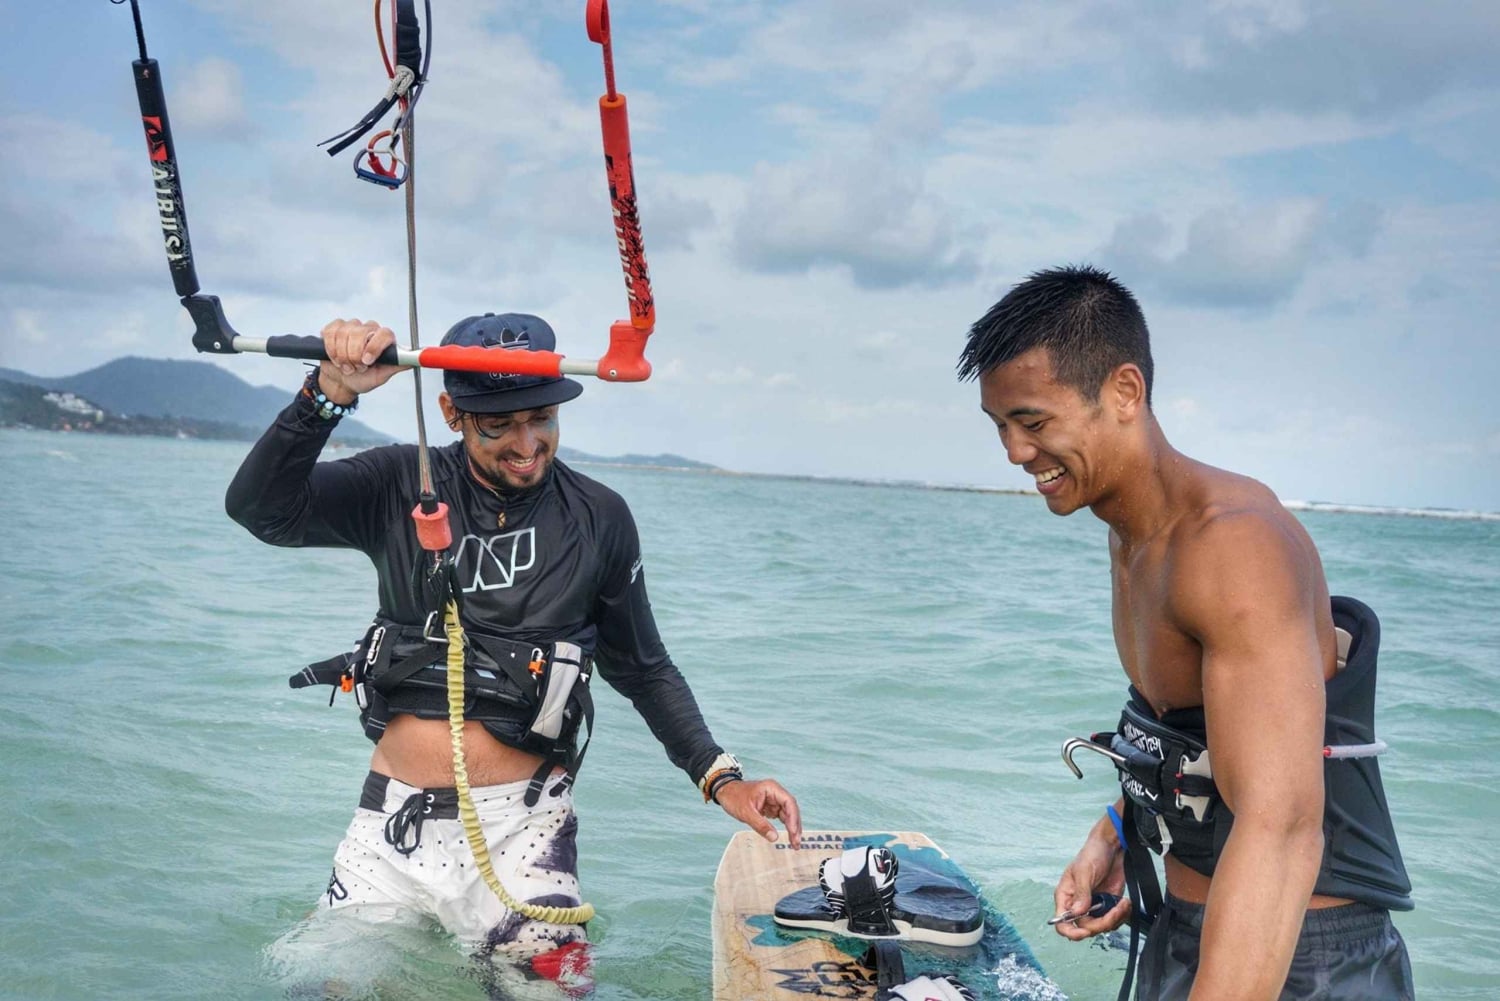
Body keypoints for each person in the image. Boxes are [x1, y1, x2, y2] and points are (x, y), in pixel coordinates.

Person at [227, 312, 802, 989]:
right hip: (390, 829)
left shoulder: (599, 518)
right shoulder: (395, 483)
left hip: (526, 837)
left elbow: (643, 667)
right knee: (320, 987)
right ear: (451, 412)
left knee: (551, 989)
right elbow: (261, 508)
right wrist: (329, 391)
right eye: (498, 425)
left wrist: (721, 776)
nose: (526, 444)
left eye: (543, 419)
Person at [956, 266, 1413, 1001]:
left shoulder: (1231, 547)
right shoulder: (1132, 535)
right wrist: (1118, 830)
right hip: (1190, 926)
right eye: (1000, 426)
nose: (1014, 452)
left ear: (1125, 392)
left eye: (1034, 422)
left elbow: (1284, 826)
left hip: (1302, 958)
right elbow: (1196, 730)